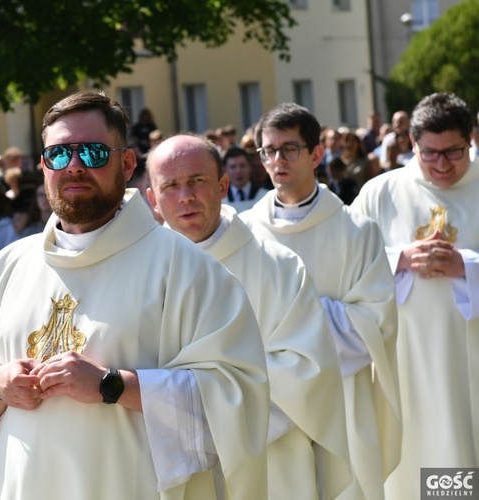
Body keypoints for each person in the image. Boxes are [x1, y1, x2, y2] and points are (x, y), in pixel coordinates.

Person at [0, 91, 270, 500]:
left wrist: (111, 386)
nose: (76, 166)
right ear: (44, 166)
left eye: (95, 153)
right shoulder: (6, 269)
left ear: (127, 163)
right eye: (60, 155)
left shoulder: (185, 268)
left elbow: (237, 397)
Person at [146, 134, 350, 499]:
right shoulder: (139, 274)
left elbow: (307, 371)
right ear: (153, 201)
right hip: (170, 465)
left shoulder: (279, 267)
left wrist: (207, 415)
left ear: (223, 185)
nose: (186, 197)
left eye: (197, 181)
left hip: (272, 461)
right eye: (171, 186)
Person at [241, 102, 401, 500]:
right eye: (268, 150)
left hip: (342, 397)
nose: (277, 160)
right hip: (272, 402)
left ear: (316, 154)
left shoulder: (356, 232)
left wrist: (295, 317)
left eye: (289, 149)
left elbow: (375, 325)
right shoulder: (245, 234)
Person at [351, 92, 479, 500]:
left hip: (471, 357)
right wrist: (399, 259)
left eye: (454, 152)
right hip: (405, 358)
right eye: (430, 154)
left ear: (471, 138)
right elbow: (346, 265)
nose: (442, 165)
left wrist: (468, 268)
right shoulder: (380, 192)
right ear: (411, 144)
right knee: (418, 465)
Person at [222, 147, 268, 213]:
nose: (238, 171)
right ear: (225, 170)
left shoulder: (265, 196)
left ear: (250, 167)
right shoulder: (220, 200)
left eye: (242, 166)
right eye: (233, 167)